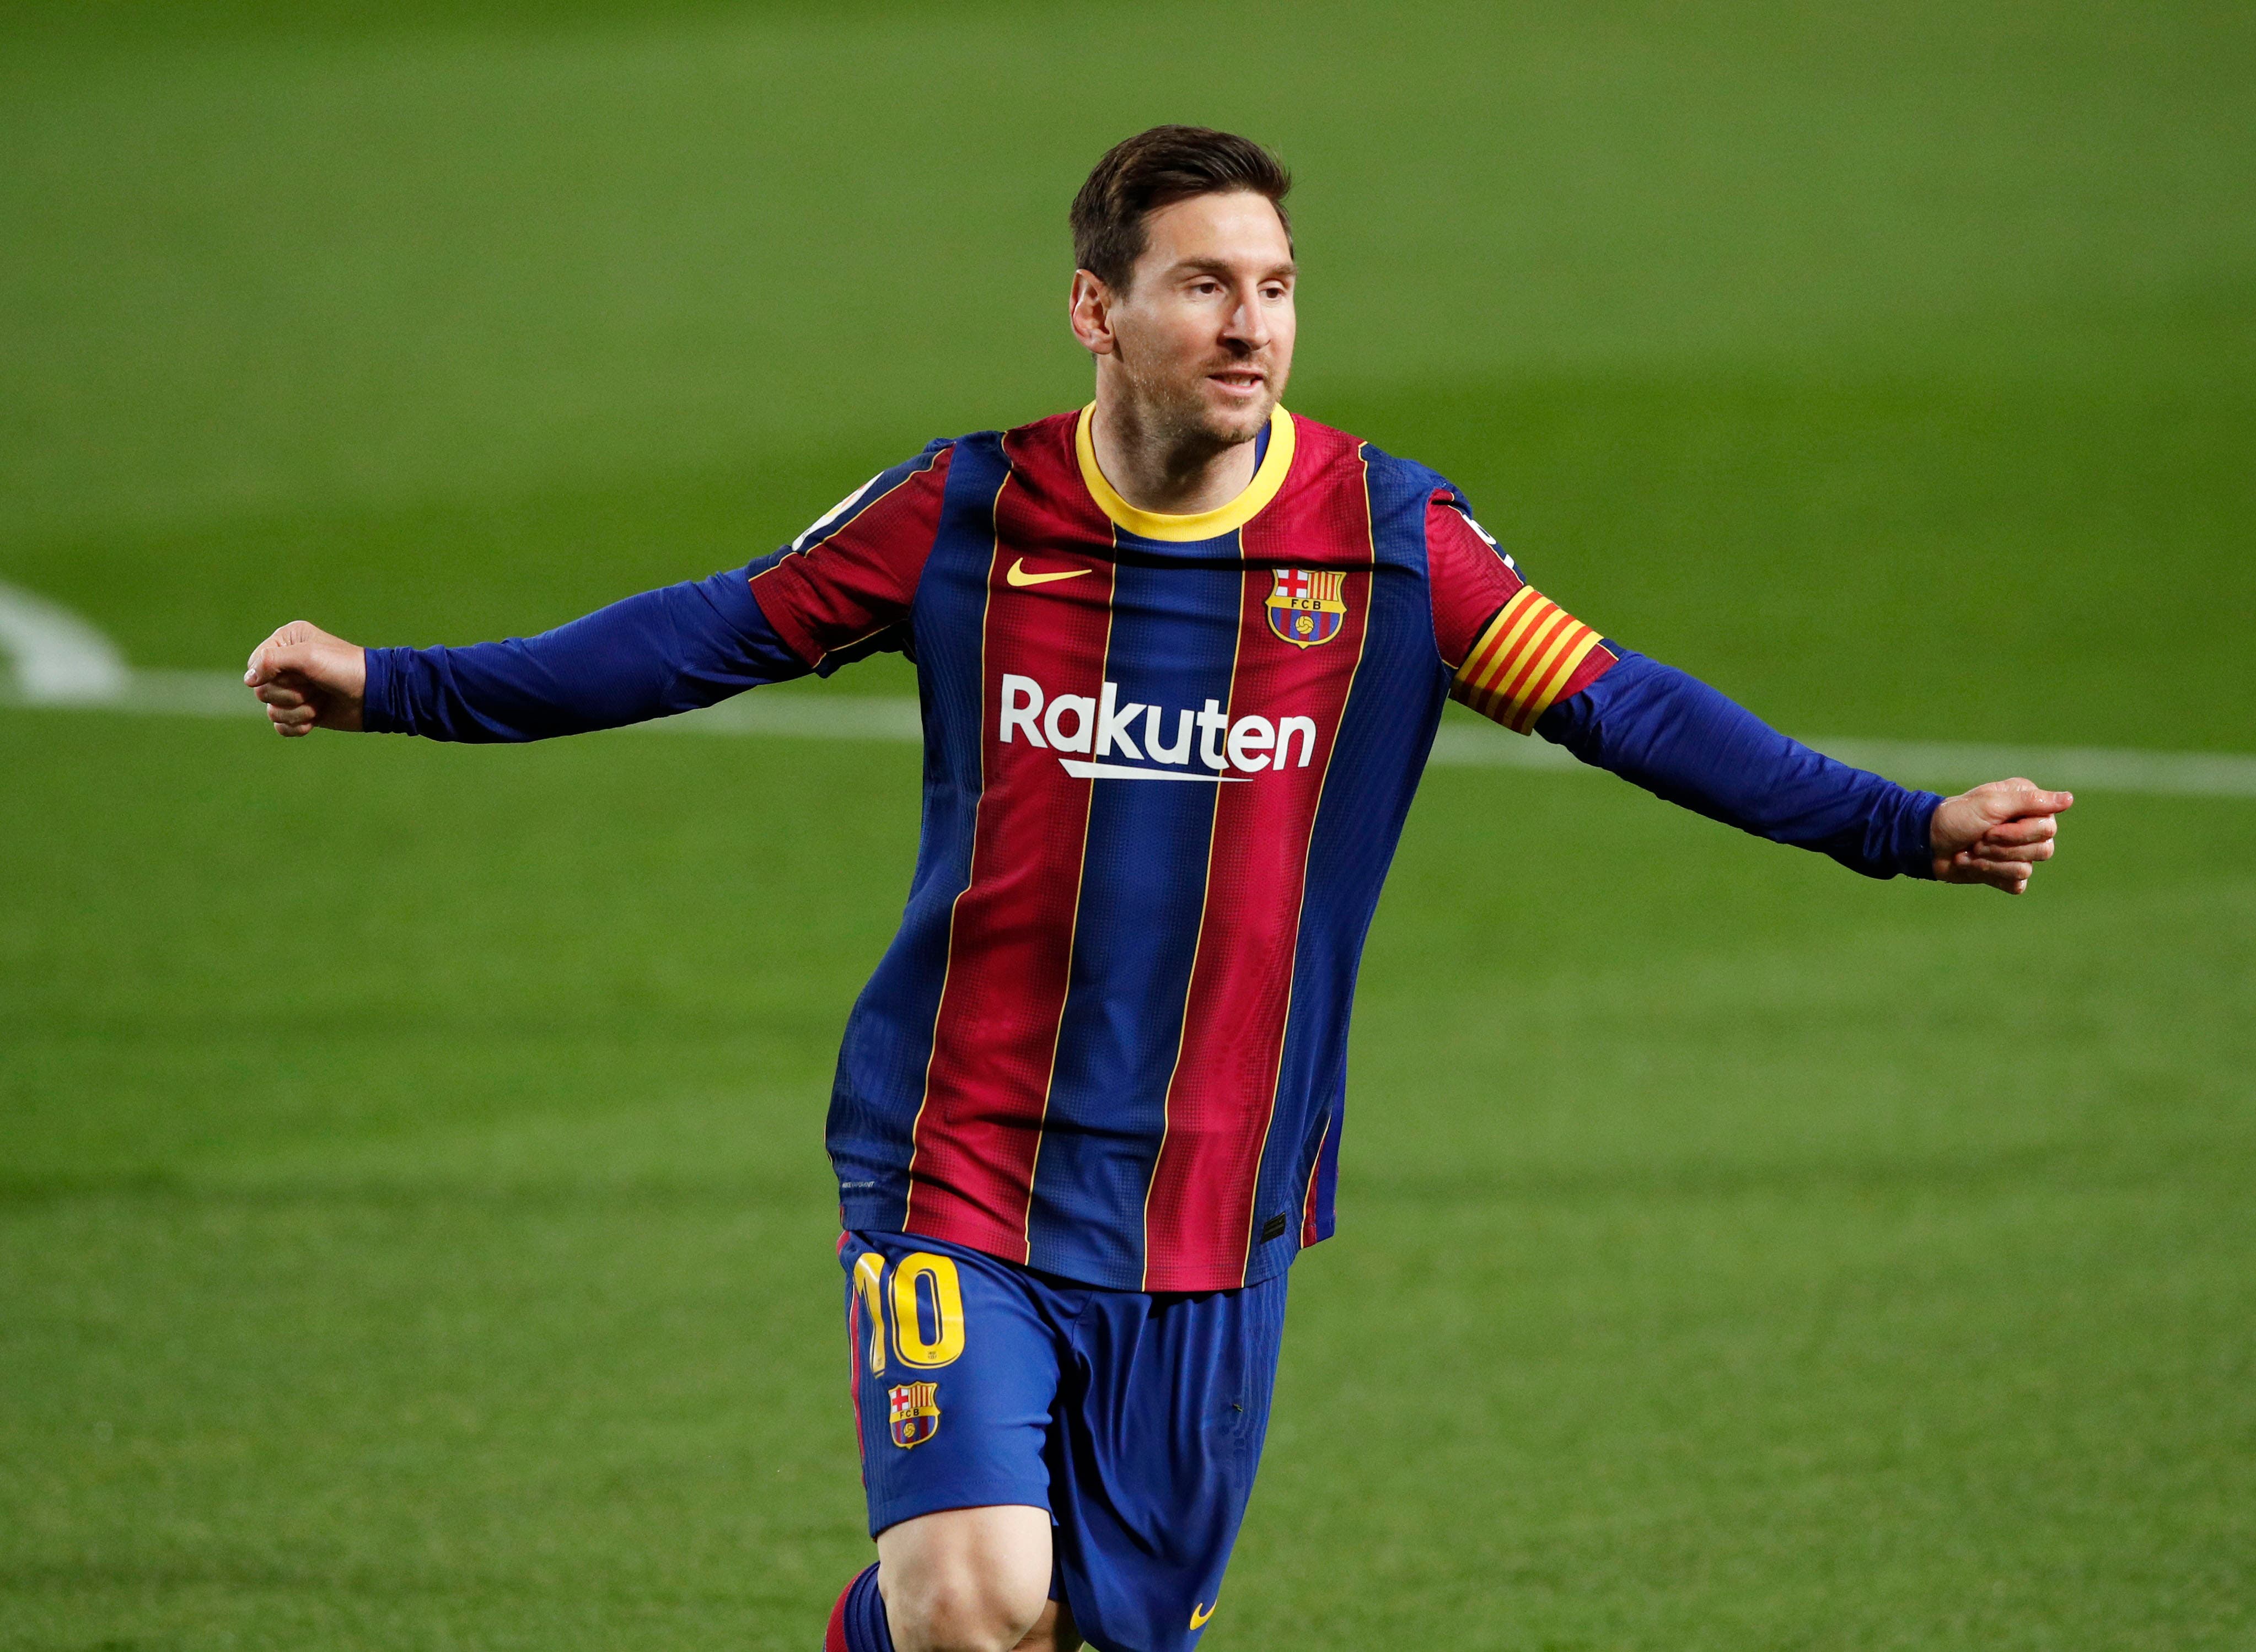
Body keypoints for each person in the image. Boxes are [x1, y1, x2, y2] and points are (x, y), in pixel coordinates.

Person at [244, 126, 2070, 1652]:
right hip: (957, 1150)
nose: (1249, 324)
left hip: (1221, 1184)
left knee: (1092, 1627)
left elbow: (1626, 707)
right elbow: (699, 636)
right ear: (1093, 309)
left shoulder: (1389, 541)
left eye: (1273, 285)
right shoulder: (965, 511)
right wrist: (397, 683)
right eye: (1203, 284)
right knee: (973, 1595)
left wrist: (1895, 826)